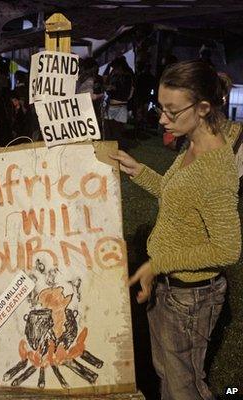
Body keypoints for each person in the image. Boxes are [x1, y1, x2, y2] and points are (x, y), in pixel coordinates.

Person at [110, 60, 241, 400]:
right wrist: (138, 170)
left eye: (171, 111)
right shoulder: (192, 145)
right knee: (167, 374)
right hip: (171, 289)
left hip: (190, 298)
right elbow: (174, 191)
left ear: (202, 108)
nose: (162, 118)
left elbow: (228, 249)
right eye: (160, 107)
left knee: (183, 387)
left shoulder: (215, 169)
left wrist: (157, 264)